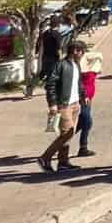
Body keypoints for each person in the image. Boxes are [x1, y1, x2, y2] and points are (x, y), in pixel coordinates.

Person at [38, 41, 85, 174]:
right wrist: (52, 103)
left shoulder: (76, 65)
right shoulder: (61, 65)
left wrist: (83, 96)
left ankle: (63, 162)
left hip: (75, 104)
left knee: (68, 135)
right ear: (75, 51)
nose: (82, 55)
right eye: (81, 51)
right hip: (64, 105)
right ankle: (45, 158)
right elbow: (50, 84)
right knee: (67, 133)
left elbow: (79, 83)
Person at [75, 46, 101, 158]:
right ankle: (82, 147)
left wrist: (86, 56)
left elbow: (99, 55)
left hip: (89, 97)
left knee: (82, 123)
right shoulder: (76, 66)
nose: (77, 53)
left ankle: (63, 142)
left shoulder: (92, 64)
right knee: (87, 121)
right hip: (81, 97)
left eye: (79, 51)